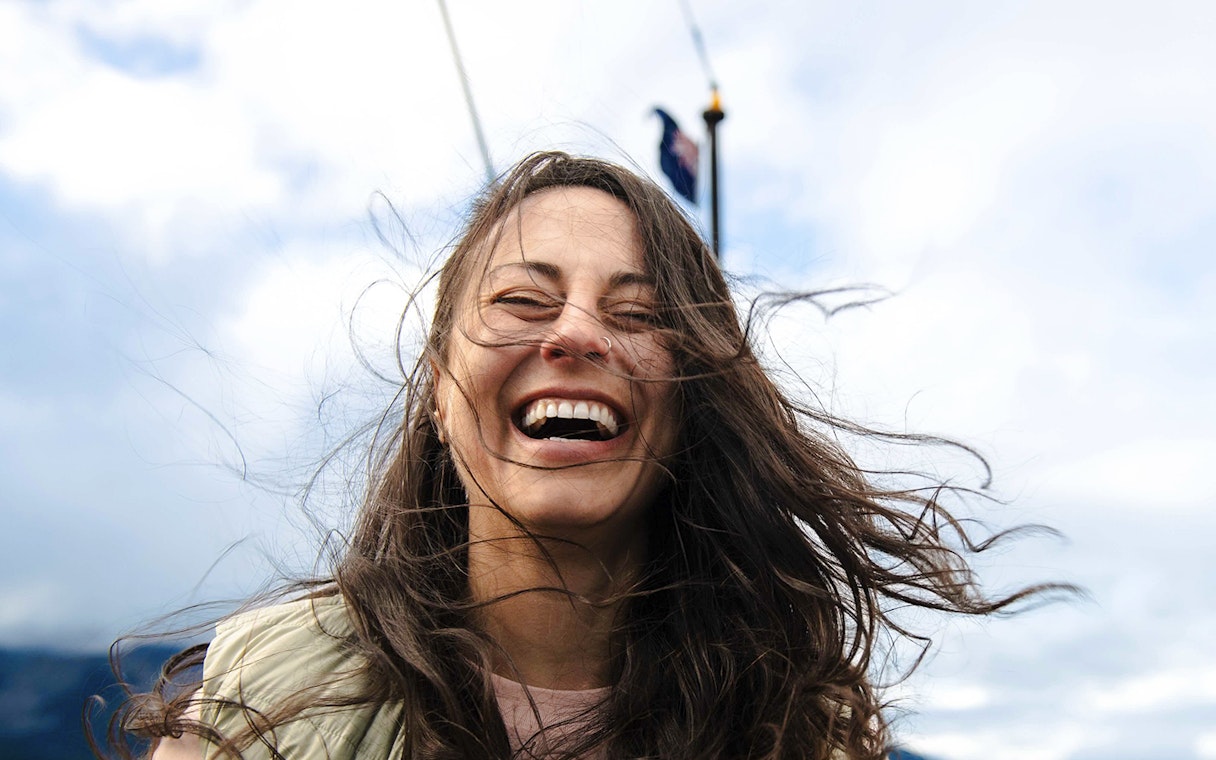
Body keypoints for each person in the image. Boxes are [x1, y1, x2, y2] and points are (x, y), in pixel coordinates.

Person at [116, 152, 1053, 760]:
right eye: (524, 301)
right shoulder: (268, 691)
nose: (575, 334)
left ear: (693, 408)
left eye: (638, 314)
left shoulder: (801, 733)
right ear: (439, 386)